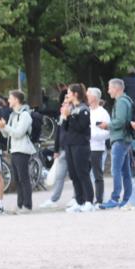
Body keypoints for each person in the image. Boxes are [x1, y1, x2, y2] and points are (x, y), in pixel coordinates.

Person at [0, 90, 34, 213]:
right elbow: (7, 135)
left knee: (24, 178)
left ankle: (27, 205)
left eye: (10, 98)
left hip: (22, 149)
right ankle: (20, 204)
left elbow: (18, 133)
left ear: (16, 100)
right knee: (17, 179)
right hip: (14, 149)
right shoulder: (12, 115)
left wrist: (5, 127)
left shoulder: (25, 115)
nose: (8, 100)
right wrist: (1, 127)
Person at [98, 78, 134, 209]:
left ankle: (115, 198)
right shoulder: (125, 101)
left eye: (109, 88)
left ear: (116, 88)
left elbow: (120, 121)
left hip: (120, 139)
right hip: (124, 139)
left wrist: (107, 125)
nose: (108, 91)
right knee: (125, 171)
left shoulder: (121, 102)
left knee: (116, 170)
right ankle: (128, 198)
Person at [60, 84, 94, 212]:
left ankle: (89, 201)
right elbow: (65, 127)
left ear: (75, 94)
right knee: (73, 174)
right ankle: (79, 201)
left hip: (80, 145)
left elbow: (81, 127)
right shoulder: (71, 108)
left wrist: (70, 116)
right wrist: (65, 116)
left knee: (82, 173)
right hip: (70, 144)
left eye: (69, 93)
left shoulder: (84, 109)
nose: (67, 95)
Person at [86, 87, 110, 206]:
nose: (86, 96)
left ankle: (99, 199)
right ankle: (86, 198)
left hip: (97, 147)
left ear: (94, 97)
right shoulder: (87, 111)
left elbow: (108, 132)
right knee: (84, 174)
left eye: (88, 94)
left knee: (97, 174)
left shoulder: (103, 113)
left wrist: (92, 135)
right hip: (85, 147)